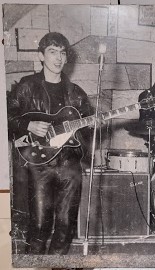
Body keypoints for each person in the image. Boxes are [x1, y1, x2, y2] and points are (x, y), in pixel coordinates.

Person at [7, 32, 93, 254]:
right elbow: (7, 116)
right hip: (38, 165)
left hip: (69, 165)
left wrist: (90, 125)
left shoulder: (76, 94)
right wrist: (28, 125)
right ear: (41, 56)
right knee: (38, 226)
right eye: (52, 52)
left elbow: (87, 131)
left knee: (65, 227)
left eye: (62, 53)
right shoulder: (26, 87)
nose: (59, 58)